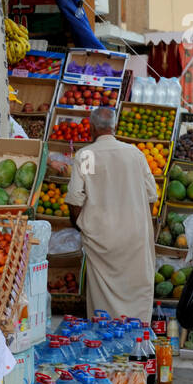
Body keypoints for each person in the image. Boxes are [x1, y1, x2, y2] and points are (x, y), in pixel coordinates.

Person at [66, 106, 158, 323]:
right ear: (114, 127)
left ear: (91, 128)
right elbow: (152, 195)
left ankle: (105, 337)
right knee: (136, 289)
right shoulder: (135, 154)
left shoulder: (87, 155)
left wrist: (81, 223)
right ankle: (137, 336)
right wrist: (141, 223)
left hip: (101, 235)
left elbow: (75, 197)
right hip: (134, 234)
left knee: (102, 294)